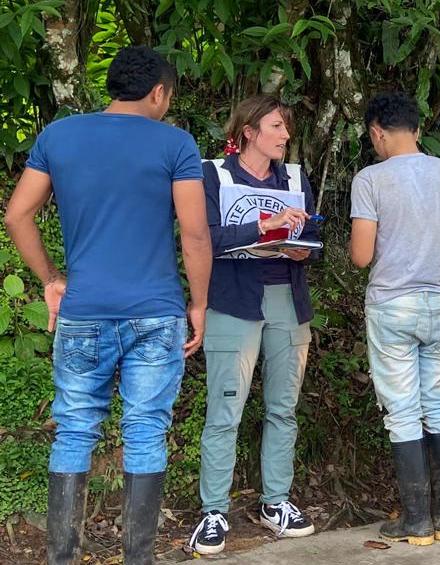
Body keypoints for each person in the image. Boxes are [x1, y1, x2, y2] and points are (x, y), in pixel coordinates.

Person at [3, 46, 211, 565]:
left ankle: (62, 557)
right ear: (159, 92)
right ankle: (138, 558)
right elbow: (194, 233)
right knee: (146, 430)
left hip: (83, 311)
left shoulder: (60, 136)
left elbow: (16, 216)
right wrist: (201, 304)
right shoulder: (175, 143)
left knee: (74, 429)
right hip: (155, 311)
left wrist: (52, 278)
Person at [185, 95, 319, 555]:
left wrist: (303, 246)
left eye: (286, 128)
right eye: (278, 126)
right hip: (232, 300)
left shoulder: (296, 177)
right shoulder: (213, 174)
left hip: (287, 297)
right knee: (225, 411)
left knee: (283, 408)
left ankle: (275, 502)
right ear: (249, 131)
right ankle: (213, 511)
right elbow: (202, 237)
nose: (286, 136)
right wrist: (261, 226)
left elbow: (311, 237)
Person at [349, 91, 440, 546]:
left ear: (377, 133)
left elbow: (362, 257)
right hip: (439, 304)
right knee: (437, 402)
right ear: (418, 130)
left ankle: (416, 521)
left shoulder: (371, 179)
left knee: (402, 411)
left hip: (392, 306)